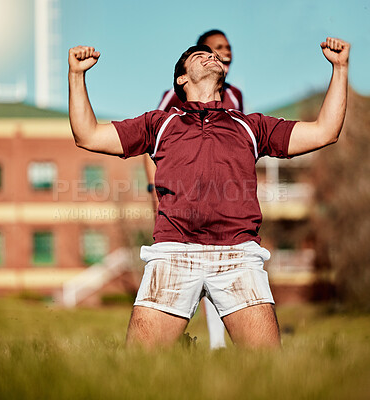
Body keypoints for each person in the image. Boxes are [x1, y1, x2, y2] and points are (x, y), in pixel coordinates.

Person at [68, 37, 350, 348]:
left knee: (268, 368)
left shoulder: (250, 125)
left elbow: (325, 131)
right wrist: (77, 76)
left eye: (214, 55)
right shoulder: (159, 124)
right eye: (200, 54)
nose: (211, 56)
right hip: (174, 252)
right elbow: (88, 135)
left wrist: (340, 68)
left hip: (238, 255)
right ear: (182, 78)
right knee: (138, 365)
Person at [145, 29, 242, 350]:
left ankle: (218, 345)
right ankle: (195, 340)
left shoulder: (236, 96)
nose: (221, 52)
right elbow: (154, 140)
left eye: (225, 47)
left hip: (226, 201)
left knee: (224, 268)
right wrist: (154, 190)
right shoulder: (173, 99)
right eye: (213, 48)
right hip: (182, 205)